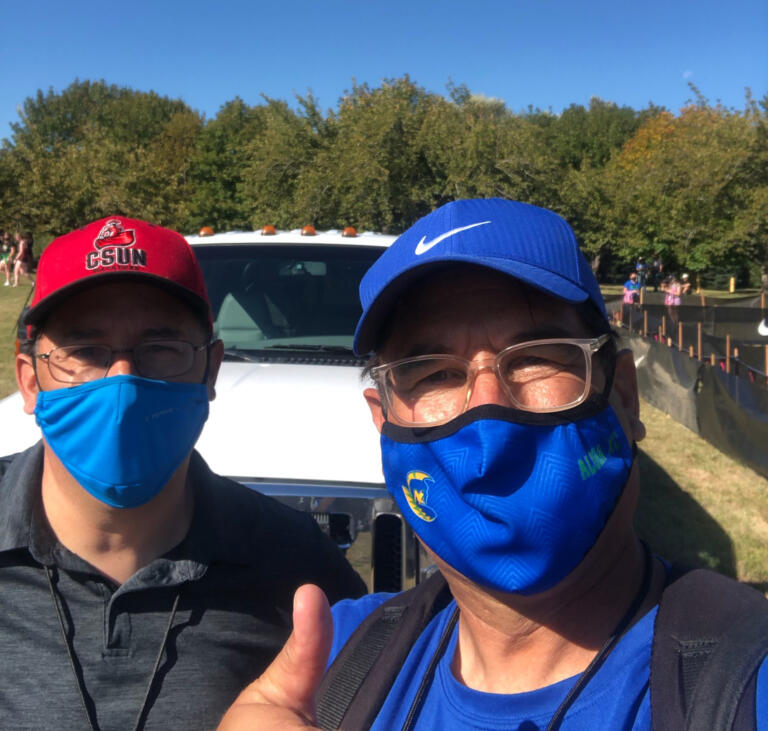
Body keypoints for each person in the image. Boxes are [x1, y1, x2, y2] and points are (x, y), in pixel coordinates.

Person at [220, 199, 768, 730]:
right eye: (433, 373)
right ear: (383, 421)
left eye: (535, 358)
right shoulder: (334, 657)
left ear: (625, 396)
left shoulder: (745, 675)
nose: (488, 406)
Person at [0, 216, 365, 729]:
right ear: (31, 380)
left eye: (160, 350)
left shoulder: (299, 566)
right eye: (84, 352)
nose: (123, 382)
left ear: (210, 370)